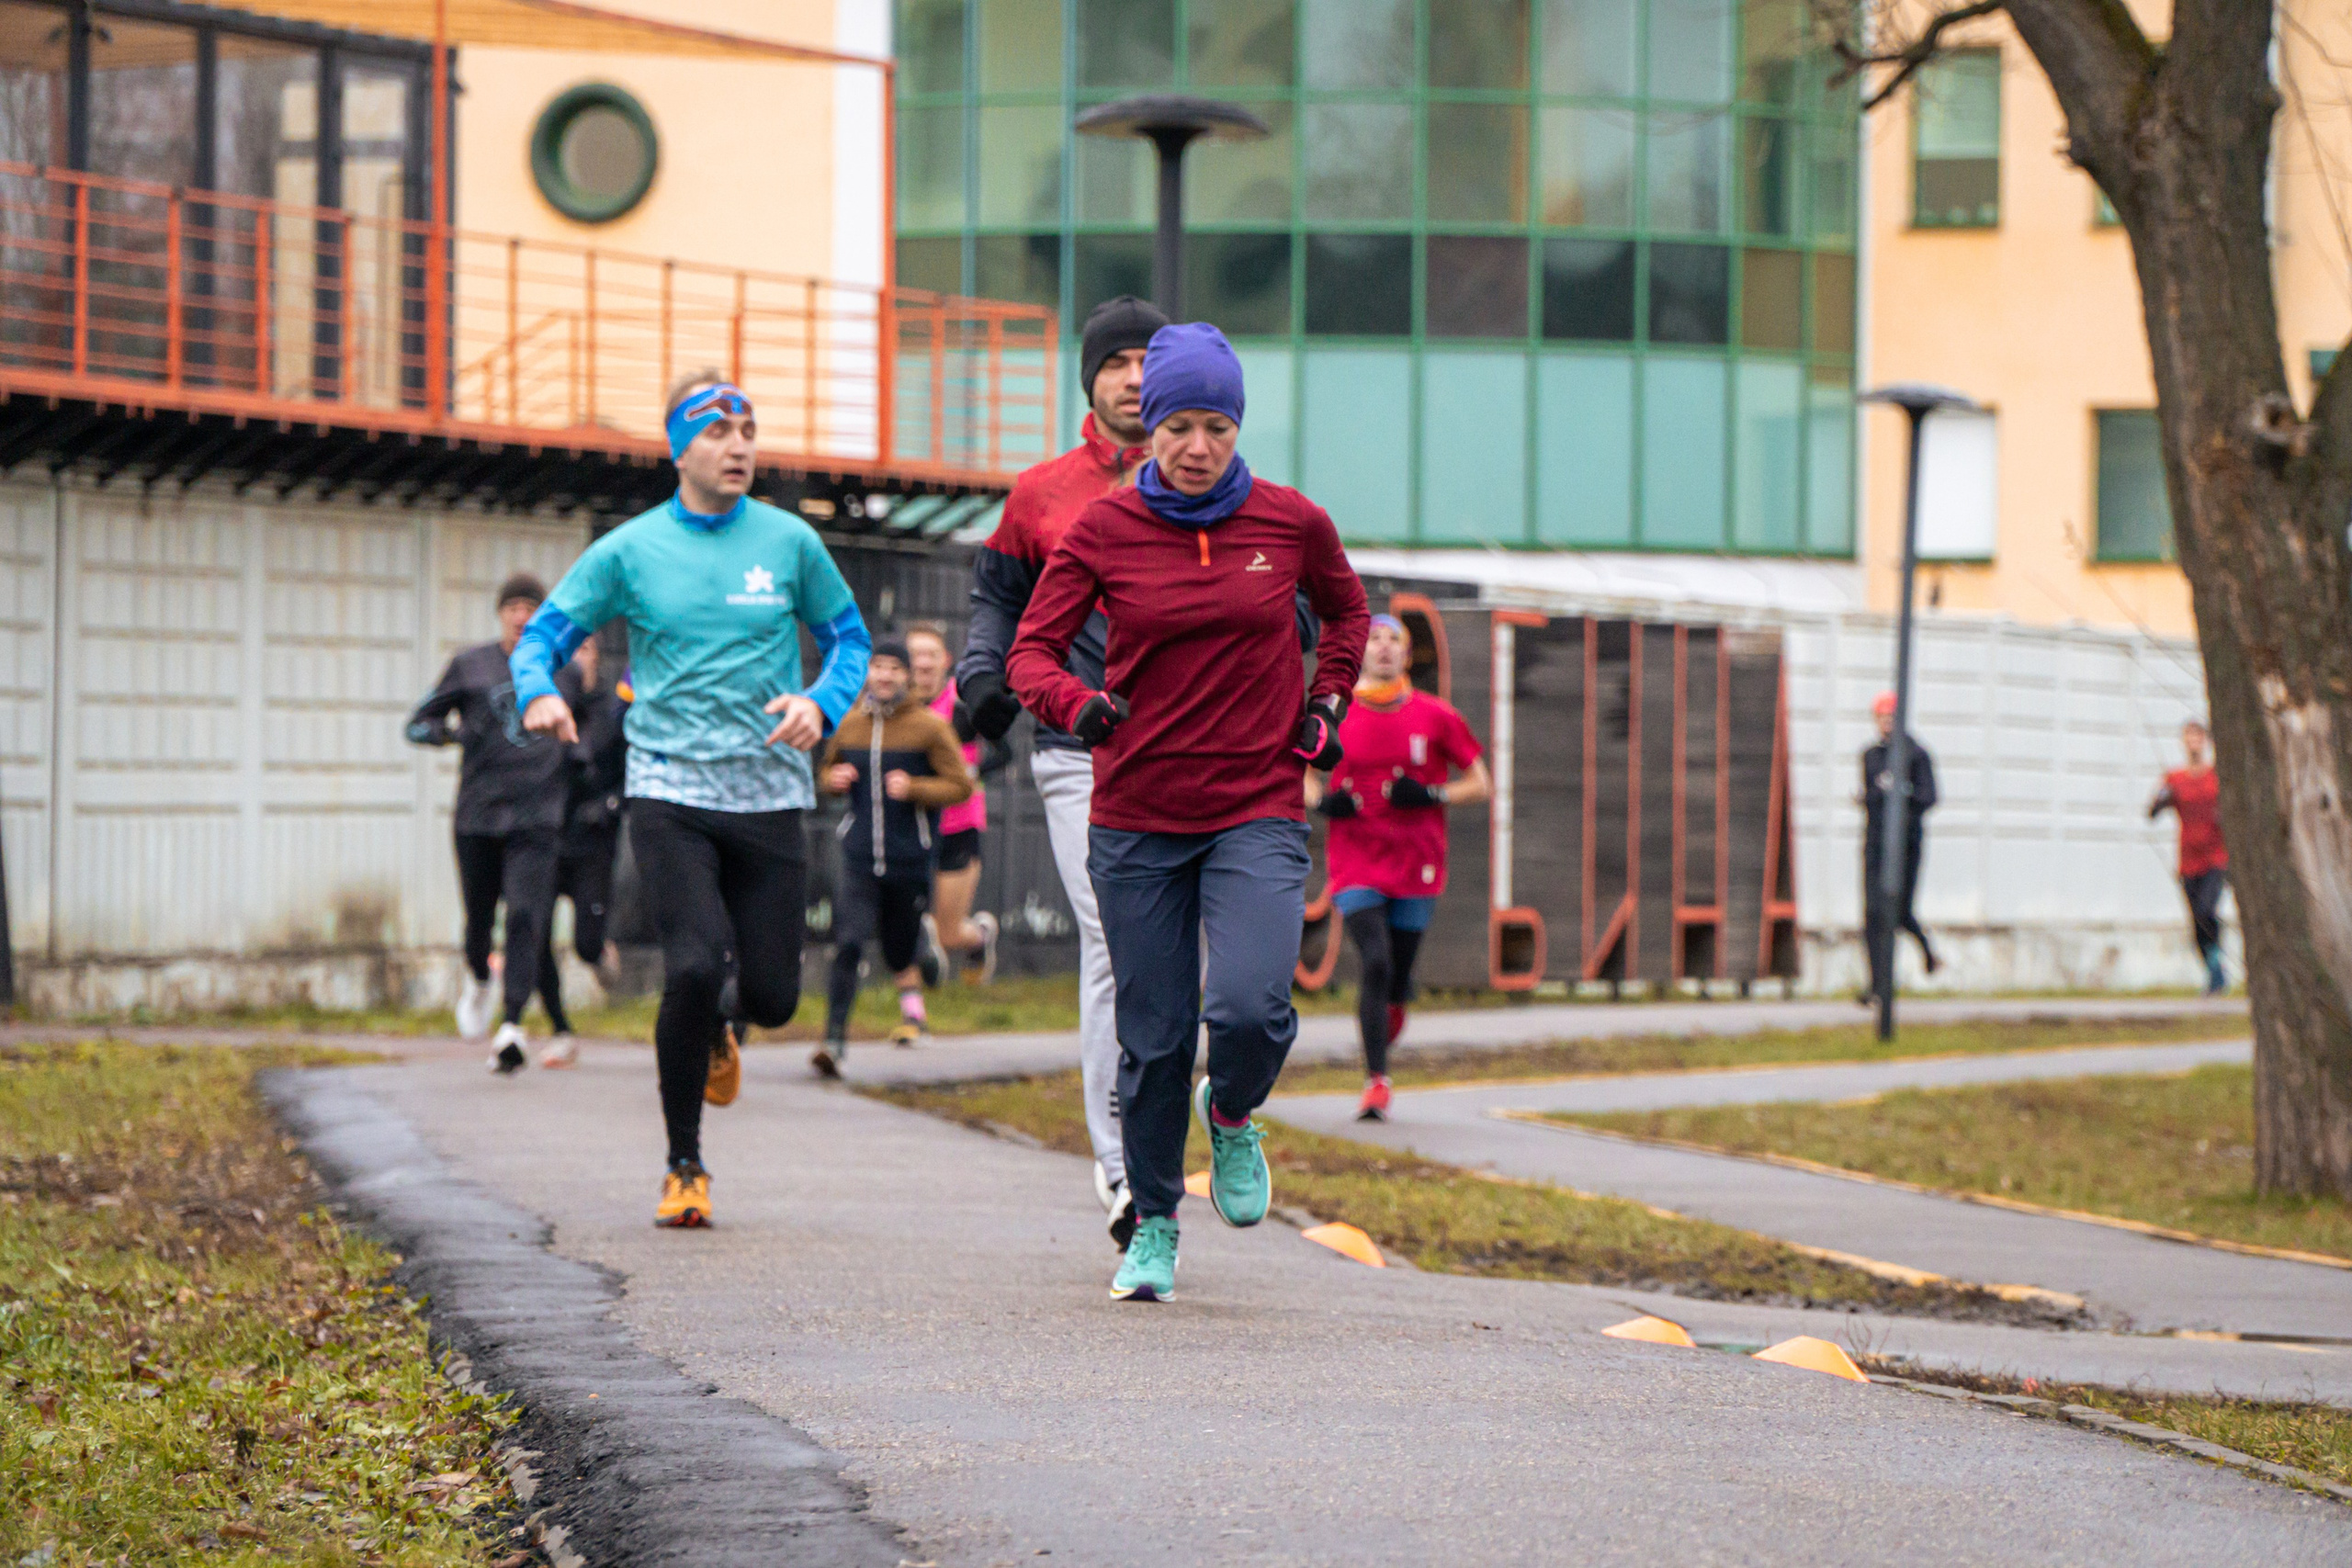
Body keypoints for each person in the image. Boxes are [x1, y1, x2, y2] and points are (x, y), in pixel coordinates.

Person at [1008, 321, 1368, 1304]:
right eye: (1177, 425)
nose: (1196, 446)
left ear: (1237, 426)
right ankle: (1156, 1224)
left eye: (1215, 425)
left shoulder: (1291, 523)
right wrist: (1077, 708)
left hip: (1253, 802)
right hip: (1135, 817)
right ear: (1148, 428)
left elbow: (1348, 613)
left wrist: (1326, 700)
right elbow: (1030, 654)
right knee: (1154, 1035)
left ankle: (1238, 1111)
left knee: (1249, 1004)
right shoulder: (1102, 530)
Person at [512, 371, 870, 1230]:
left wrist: (820, 702)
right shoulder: (630, 550)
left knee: (777, 995)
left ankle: (724, 1025)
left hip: (769, 788)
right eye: (716, 431)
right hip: (669, 783)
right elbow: (544, 637)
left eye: (748, 428)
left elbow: (848, 639)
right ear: (679, 447)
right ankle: (684, 1164)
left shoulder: (789, 542)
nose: (738, 444)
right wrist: (539, 689)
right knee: (697, 963)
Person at [956, 294, 1169, 1247]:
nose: (1131, 376)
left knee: (1188, 965)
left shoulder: (1212, 483)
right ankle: (1122, 1167)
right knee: (1116, 941)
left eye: (1146, 359)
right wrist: (977, 672)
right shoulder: (1041, 492)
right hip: (1077, 751)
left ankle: (1179, 1113)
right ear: (1090, 379)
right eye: (1114, 360)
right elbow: (994, 601)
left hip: (1193, 753)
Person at [1307, 614, 1490, 1122]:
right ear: (1360, 653)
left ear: (1408, 656)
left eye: (1395, 641)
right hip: (1356, 861)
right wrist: (1323, 802)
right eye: (1374, 639)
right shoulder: (1335, 716)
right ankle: (1376, 1082)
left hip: (1418, 862)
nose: (1383, 648)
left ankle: (1393, 1008)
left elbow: (1482, 783)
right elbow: (1299, 776)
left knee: (1398, 975)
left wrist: (1432, 793)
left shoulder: (1436, 716)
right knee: (1375, 961)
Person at [406, 572, 581, 1073]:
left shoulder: (562, 671)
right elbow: (418, 723)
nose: (522, 616)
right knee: (479, 921)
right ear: (501, 613)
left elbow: (588, 739)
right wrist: (452, 735)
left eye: (532, 607)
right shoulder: (470, 665)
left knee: (528, 917)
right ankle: (480, 978)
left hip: (537, 818)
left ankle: (512, 1026)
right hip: (479, 816)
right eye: (514, 607)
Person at [816, 637, 975, 1070]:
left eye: (894, 668)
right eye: (878, 667)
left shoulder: (928, 727)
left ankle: (919, 946)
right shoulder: (849, 725)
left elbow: (961, 785)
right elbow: (822, 776)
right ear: (868, 673)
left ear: (907, 676)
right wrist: (833, 779)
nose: (885, 676)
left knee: (897, 953)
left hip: (909, 859)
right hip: (859, 857)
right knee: (848, 944)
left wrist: (917, 789)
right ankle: (833, 1043)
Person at [530, 635, 629, 1067]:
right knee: (534, 934)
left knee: (585, 943)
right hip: (547, 835)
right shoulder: (545, 709)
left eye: (586, 649)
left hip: (593, 839)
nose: (577, 659)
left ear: (597, 657)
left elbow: (634, 768)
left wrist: (612, 805)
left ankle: (599, 951)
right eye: (569, 650)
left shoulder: (614, 707)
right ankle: (561, 1029)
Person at [907, 621, 1000, 984]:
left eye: (931, 655)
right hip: (911, 823)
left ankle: (979, 936)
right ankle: (914, 991)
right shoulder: (899, 710)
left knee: (949, 932)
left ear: (945, 660)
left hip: (958, 824)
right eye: (916, 655)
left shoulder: (960, 707)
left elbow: (1003, 751)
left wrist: (969, 773)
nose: (924, 664)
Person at [1861, 690, 1939, 1008]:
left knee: (1899, 912)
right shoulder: (1871, 756)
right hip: (1876, 844)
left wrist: (1901, 793)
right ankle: (1878, 986)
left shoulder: (1916, 754)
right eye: (1881, 717)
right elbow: (1870, 798)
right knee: (1873, 916)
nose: (1886, 723)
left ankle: (1927, 951)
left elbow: (1929, 797)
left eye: (1891, 716)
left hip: (1906, 845)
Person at [2149, 718, 2229, 994]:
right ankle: (2213, 970)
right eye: (2188, 738)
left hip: (2216, 858)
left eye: (2198, 738)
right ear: (2183, 743)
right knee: (2196, 921)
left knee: (2208, 911)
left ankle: (2218, 968)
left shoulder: (2216, 777)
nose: (2193, 743)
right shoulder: (2175, 778)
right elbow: (2151, 813)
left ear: (2205, 742)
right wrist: (2162, 796)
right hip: (2188, 860)